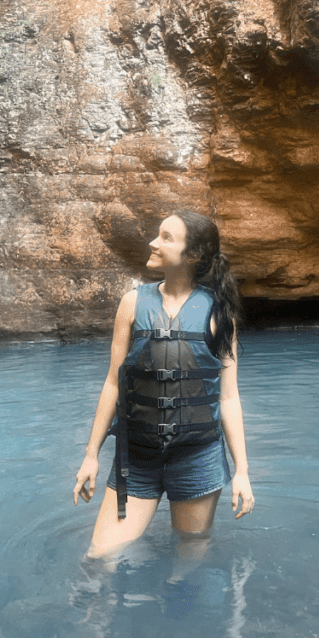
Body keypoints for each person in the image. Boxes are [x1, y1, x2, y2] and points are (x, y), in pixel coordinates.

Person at [72, 210, 255, 558]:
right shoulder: (132, 303)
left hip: (197, 458)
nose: (153, 243)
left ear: (194, 255)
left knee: (189, 556)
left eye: (167, 238)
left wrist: (242, 472)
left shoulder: (219, 313)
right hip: (137, 458)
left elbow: (229, 398)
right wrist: (90, 455)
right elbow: (113, 383)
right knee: (100, 556)